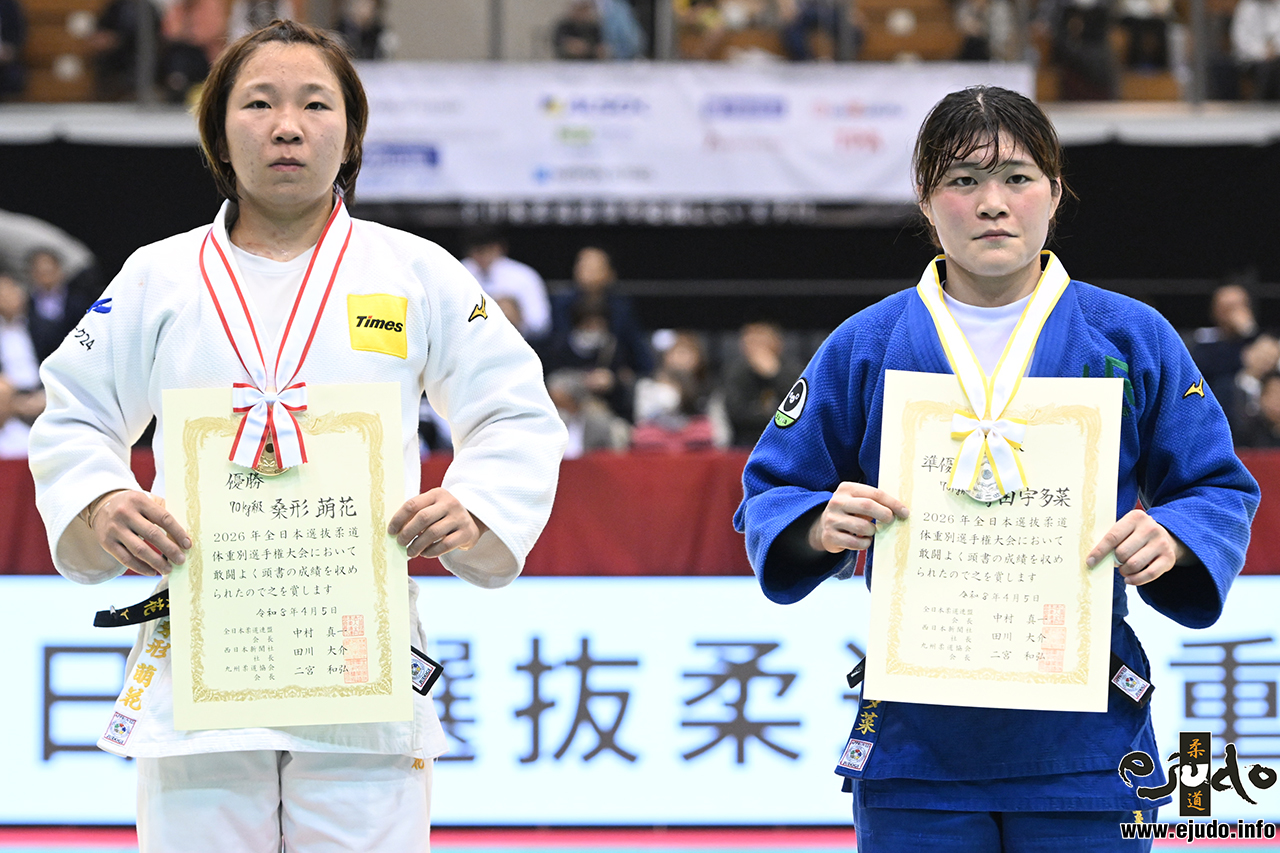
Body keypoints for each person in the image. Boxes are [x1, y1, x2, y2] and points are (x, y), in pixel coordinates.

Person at [29, 20, 565, 852]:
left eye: (316, 103)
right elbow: (72, 412)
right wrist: (100, 500)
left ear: (348, 131)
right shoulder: (158, 275)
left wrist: (477, 503)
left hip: (360, 660)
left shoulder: (414, 272)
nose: (287, 125)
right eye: (258, 103)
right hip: (205, 653)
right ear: (218, 130)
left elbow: (515, 408)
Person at [734, 86, 1259, 850]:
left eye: (1016, 177)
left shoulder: (1130, 334)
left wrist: (1174, 539)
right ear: (925, 199)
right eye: (962, 179)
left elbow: (1216, 483)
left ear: (1054, 192)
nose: (991, 203)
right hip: (918, 745)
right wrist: (817, 524)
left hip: (1085, 741)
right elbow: (770, 486)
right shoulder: (865, 343)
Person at [460, 226, 552, 344]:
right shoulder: (457, 272)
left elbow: (541, 324)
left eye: (487, 250)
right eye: (477, 251)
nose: (482, 256)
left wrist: (517, 318)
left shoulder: (523, 275)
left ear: (499, 248)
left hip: (517, 345)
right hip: (469, 345)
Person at [722, 321, 801, 447]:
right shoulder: (736, 372)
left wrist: (775, 374)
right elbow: (735, 414)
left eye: (761, 341)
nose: (756, 348)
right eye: (751, 342)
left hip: (786, 441)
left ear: (777, 343)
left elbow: (797, 410)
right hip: (745, 443)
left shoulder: (793, 370)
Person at [25, 247, 103, 364]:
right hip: (41, 363)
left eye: (49, 271)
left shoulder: (78, 302)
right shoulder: (25, 305)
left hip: (77, 359)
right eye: (40, 272)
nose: (45, 277)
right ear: (32, 274)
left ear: (59, 271)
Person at [0, 272, 43, 457]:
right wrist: (12, 402)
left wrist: (45, 396)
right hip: (6, 397)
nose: (7, 298)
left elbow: (62, 366)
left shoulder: (43, 326)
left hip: (42, 394)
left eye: (11, 292)